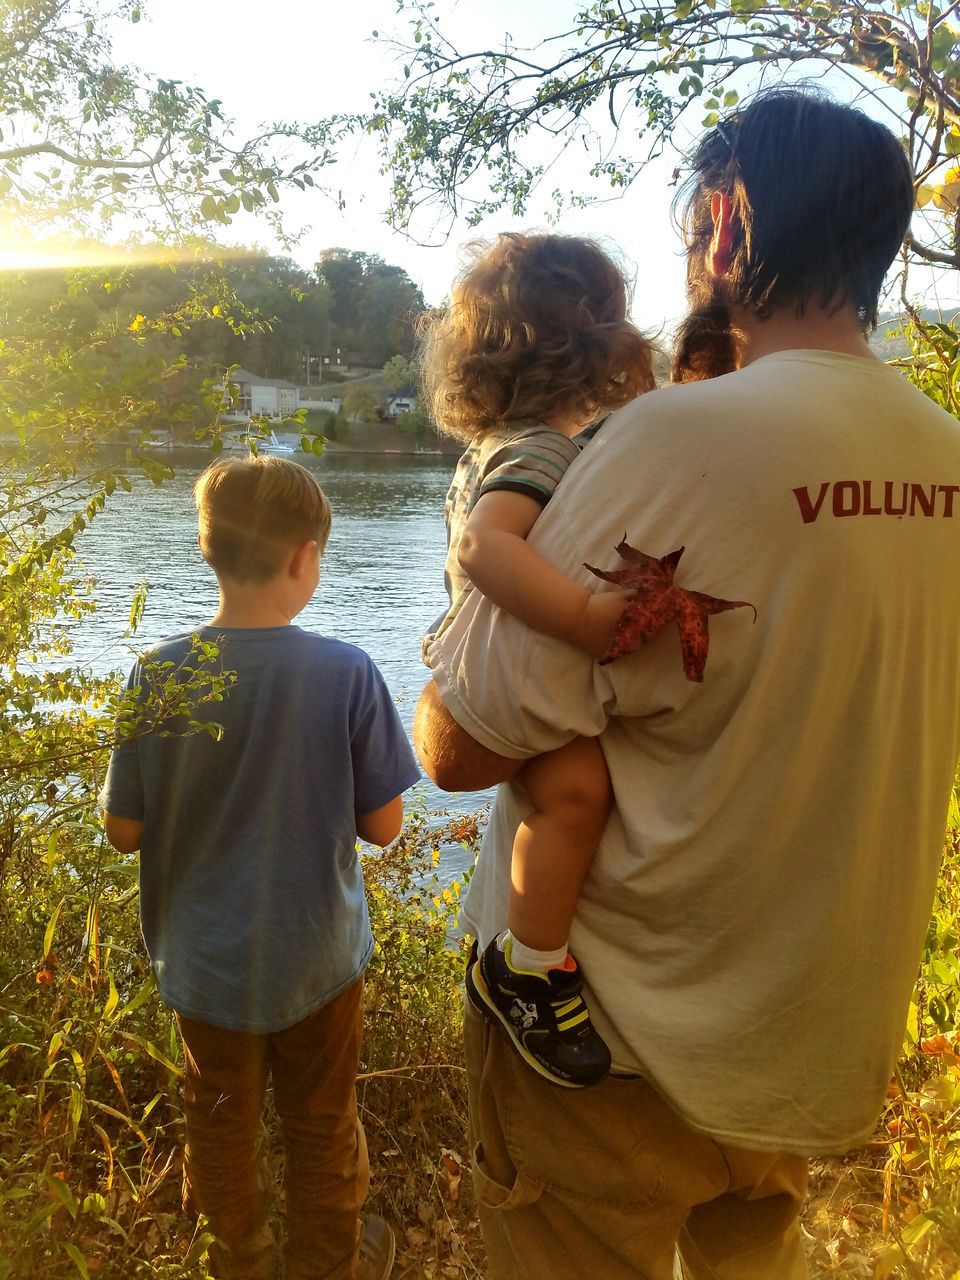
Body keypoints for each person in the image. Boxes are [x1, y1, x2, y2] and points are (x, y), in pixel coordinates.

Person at [413, 86, 960, 1280]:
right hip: (805, 1045)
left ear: (725, 222)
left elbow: (459, 747)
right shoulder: (946, 455)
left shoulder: (667, 441)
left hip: (610, 1047)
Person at [102, 456, 419, 1280]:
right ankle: (331, 1263)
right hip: (317, 957)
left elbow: (123, 831)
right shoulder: (347, 673)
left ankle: (238, 1261)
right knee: (321, 1123)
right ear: (304, 558)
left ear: (209, 552)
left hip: (205, 963)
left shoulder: (157, 674)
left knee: (218, 1120)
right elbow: (384, 827)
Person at [420, 232, 656, 1087]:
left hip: (465, 659)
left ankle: (528, 950)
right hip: (496, 672)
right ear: (596, 345)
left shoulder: (495, 445)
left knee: (555, 792)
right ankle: (528, 962)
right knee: (576, 793)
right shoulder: (543, 451)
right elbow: (487, 549)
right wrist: (590, 618)